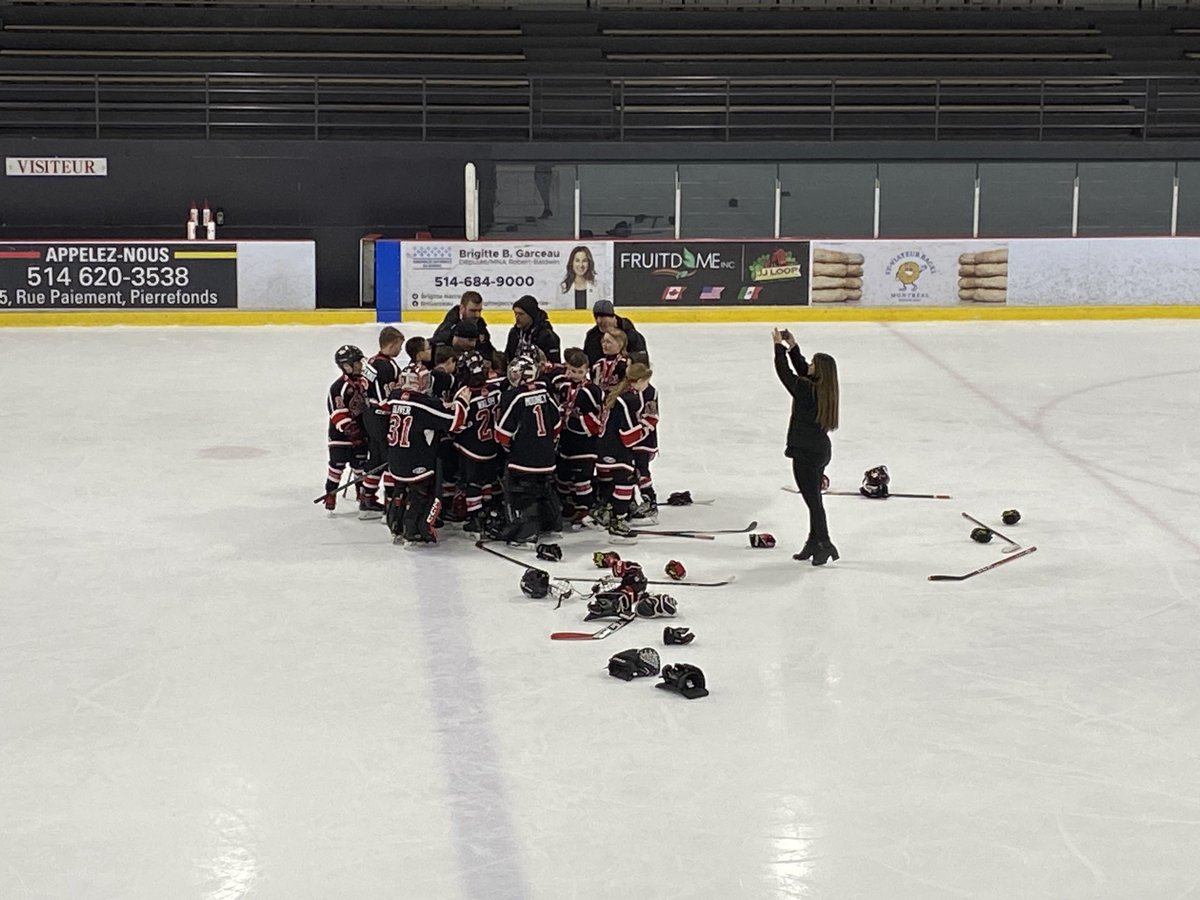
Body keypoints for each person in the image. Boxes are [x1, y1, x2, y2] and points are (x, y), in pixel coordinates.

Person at [773, 328, 840, 566]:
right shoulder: (823, 389)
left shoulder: (806, 390)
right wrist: (793, 347)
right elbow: (801, 370)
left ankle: (825, 542)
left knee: (813, 502)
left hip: (806, 452)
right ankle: (814, 542)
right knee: (813, 499)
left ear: (818, 371)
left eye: (812, 363)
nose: (808, 365)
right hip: (820, 450)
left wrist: (779, 349)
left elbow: (786, 375)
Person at [494, 355, 563, 546]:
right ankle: (552, 525)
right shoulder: (544, 391)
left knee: (524, 494)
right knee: (544, 488)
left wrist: (510, 449)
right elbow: (557, 423)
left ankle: (527, 535)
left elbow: (503, 433)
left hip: (524, 457)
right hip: (547, 456)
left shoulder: (512, 396)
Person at [384, 365, 455, 545]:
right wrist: (460, 403)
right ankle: (413, 530)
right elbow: (452, 422)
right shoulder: (425, 404)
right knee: (420, 493)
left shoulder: (393, 397)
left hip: (395, 458)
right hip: (417, 459)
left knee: (400, 490)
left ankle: (395, 525)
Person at [593, 361, 653, 539]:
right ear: (639, 381)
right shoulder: (629, 399)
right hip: (616, 450)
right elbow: (628, 436)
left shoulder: (617, 394)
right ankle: (617, 521)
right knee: (625, 483)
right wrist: (646, 428)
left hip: (603, 447)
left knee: (617, 482)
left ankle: (607, 513)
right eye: (646, 382)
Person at [449, 350, 504, 535]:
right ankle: (488, 512)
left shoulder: (464, 395)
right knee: (487, 480)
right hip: (492, 447)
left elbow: (457, 426)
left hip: (471, 448)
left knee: (473, 483)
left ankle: (475, 519)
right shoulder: (495, 390)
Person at [549, 347, 605, 524]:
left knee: (582, 480)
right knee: (563, 477)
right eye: (573, 370)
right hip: (567, 443)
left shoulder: (592, 391)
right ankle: (567, 506)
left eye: (580, 371)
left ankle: (586, 510)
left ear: (587, 370)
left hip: (585, 444)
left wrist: (574, 421)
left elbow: (597, 421)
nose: (576, 375)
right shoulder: (564, 386)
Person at [361, 326, 404, 518]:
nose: (400, 350)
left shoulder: (369, 362)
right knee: (389, 460)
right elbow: (385, 398)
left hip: (369, 416)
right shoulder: (388, 366)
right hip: (382, 417)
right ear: (392, 344)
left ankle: (367, 498)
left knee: (376, 457)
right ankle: (389, 502)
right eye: (399, 346)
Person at [322, 345, 370, 513]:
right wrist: (352, 431)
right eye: (356, 362)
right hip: (339, 436)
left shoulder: (363, 382)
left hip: (361, 434)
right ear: (346, 366)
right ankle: (330, 492)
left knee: (360, 465)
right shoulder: (338, 388)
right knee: (337, 465)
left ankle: (361, 492)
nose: (360, 365)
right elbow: (337, 414)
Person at [627, 350, 660, 523]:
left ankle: (650, 502)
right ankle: (630, 501)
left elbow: (651, 418)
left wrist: (637, 434)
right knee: (630, 471)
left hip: (644, 441)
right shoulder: (630, 391)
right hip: (632, 440)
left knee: (641, 471)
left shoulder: (650, 393)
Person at [431, 291, 494, 358]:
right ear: (462, 309)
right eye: (473, 311)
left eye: (479, 311)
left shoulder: (480, 325)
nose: (477, 315)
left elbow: (487, 349)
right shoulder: (449, 327)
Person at [583, 300, 646, 366]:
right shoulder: (592, 336)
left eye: (602, 317)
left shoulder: (630, 334)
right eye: (596, 317)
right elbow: (587, 359)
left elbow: (643, 357)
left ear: (613, 317)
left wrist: (628, 359)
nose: (598, 321)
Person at [505, 295, 561, 364]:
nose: (517, 317)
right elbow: (508, 357)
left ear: (531, 315)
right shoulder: (514, 333)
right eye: (515, 313)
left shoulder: (547, 336)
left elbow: (555, 365)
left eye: (521, 314)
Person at [560, 245, 603, 311]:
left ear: (589, 263)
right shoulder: (562, 287)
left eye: (584, 261)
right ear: (572, 263)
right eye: (577, 261)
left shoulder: (599, 286)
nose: (581, 265)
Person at [590, 327, 628, 393]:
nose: (604, 345)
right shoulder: (598, 364)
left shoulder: (624, 364)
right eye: (603, 341)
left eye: (608, 342)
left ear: (620, 344)